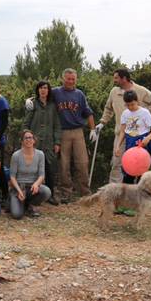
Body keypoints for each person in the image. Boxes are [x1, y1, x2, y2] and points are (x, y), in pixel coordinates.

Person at [95, 68, 151, 183]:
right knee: (117, 163)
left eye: (116, 78)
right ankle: (115, 191)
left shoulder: (140, 90)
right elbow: (108, 108)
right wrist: (102, 122)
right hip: (121, 134)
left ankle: (139, 192)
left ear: (124, 78)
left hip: (139, 137)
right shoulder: (114, 92)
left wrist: (142, 113)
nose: (114, 80)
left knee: (139, 164)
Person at [52, 68, 96, 203]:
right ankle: (66, 192)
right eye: (68, 79)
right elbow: (40, 94)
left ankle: (85, 191)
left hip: (78, 131)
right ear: (63, 79)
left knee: (82, 162)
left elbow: (88, 112)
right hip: (62, 132)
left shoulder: (79, 94)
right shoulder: (55, 92)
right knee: (63, 164)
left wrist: (93, 129)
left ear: (76, 79)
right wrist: (30, 100)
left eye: (73, 79)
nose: (70, 81)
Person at [23, 80, 62, 205]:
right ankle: (32, 195)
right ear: (37, 90)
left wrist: (57, 142)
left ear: (48, 90)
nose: (43, 90)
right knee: (32, 169)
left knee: (50, 169)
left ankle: (50, 195)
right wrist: (27, 139)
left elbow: (57, 125)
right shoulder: (32, 104)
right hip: (35, 143)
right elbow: (26, 124)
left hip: (49, 143)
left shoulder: (52, 105)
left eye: (45, 87)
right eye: (40, 88)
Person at [115, 90, 151, 184]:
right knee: (128, 173)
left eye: (132, 104)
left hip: (142, 145)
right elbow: (123, 131)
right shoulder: (125, 114)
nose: (130, 107)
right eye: (128, 105)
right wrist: (118, 146)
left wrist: (148, 138)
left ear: (137, 101)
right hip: (130, 144)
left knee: (142, 174)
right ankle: (126, 196)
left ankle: (142, 196)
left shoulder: (144, 112)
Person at [9, 130, 52, 219]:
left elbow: (41, 175)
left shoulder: (40, 154)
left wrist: (36, 184)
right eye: (26, 138)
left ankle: (30, 205)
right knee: (17, 215)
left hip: (33, 187)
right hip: (19, 187)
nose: (29, 140)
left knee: (46, 191)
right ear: (22, 141)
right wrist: (19, 191)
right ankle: (14, 201)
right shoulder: (16, 155)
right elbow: (12, 177)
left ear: (34, 140)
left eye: (31, 138)